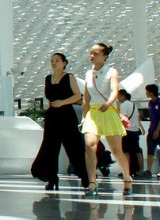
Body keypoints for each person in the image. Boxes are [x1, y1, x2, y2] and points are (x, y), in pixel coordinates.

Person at [30, 52, 89, 191]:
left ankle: (84, 177)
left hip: (66, 115)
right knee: (50, 148)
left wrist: (62, 102)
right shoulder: (48, 78)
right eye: (52, 60)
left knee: (73, 146)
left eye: (57, 60)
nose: (54, 63)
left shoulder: (69, 77)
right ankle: (52, 178)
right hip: (52, 116)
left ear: (64, 63)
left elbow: (77, 96)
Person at [81, 42, 133, 197]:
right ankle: (92, 182)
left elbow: (114, 91)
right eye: (91, 53)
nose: (92, 56)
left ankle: (127, 177)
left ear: (105, 56)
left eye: (96, 53)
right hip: (93, 113)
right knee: (90, 146)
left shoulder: (111, 71)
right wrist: (84, 116)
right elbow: (86, 98)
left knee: (117, 150)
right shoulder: (88, 74)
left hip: (108, 112)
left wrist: (108, 103)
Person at [119, 88, 144, 178]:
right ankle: (141, 170)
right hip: (135, 130)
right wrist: (141, 127)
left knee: (126, 152)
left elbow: (124, 118)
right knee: (137, 151)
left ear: (122, 95)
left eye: (118, 96)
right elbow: (138, 117)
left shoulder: (123, 105)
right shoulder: (133, 105)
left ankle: (127, 171)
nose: (117, 98)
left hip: (127, 130)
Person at [145, 84, 160, 179]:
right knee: (150, 151)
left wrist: (157, 130)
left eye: (147, 91)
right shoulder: (150, 103)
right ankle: (148, 170)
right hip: (151, 130)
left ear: (151, 92)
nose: (146, 93)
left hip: (158, 130)